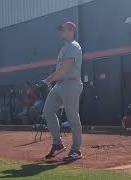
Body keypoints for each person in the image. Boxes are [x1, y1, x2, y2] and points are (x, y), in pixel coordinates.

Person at [42, 21, 83, 161]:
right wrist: (49, 80)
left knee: (73, 117)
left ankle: (76, 150)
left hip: (71, 84)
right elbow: (60, 70)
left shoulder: (73, 46)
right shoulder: (65, 47)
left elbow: (64, 69)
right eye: (61, 30)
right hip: (60, 85)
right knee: (48, 111)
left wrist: (47, 80)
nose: (62, 32)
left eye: (64, 30)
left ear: (71, 31)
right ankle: (58, 144)